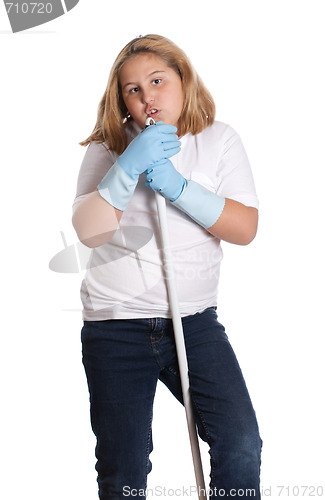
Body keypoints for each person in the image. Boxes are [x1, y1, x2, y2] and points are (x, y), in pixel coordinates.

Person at [72, 34, 262, 500]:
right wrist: (126, 169)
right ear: (121, 100)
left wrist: (178, 187)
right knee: (125, 470)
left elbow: (245, 228)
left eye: (157, 81)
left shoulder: (218, 139)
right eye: (132, 89)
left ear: (183, 80)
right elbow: (88, 232)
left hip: (193, 323)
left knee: (240, 444)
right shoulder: (107, 147)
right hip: (115, 327)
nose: (146, 96)